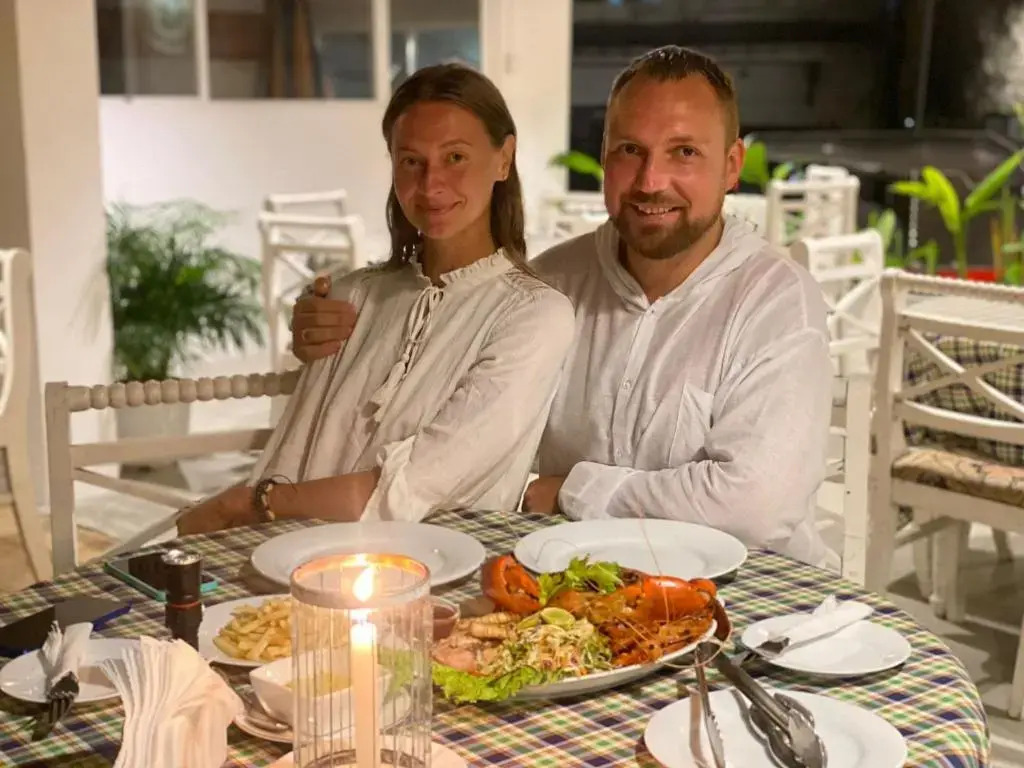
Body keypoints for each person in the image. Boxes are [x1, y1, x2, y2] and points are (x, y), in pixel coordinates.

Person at [289, 47, 834, 567]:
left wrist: (572, 490)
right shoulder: (548, 287)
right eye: (630, 150)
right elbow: (433, 394)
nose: (651, 181)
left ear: (732, 166)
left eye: (684, 152)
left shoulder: (778, 300)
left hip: (757, 592)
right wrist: (326, 315)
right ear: (604, 156)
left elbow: (755, 508)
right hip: (576, 588)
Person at [176, 63, 574, 535]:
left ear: (504, 158)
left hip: (428, 563)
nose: (431, 184)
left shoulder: (534, 316)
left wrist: (250, 503)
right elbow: (295, 448)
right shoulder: (350, 297)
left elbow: (416, 486)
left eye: (455, 157)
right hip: (283, 551)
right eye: (411, 161)